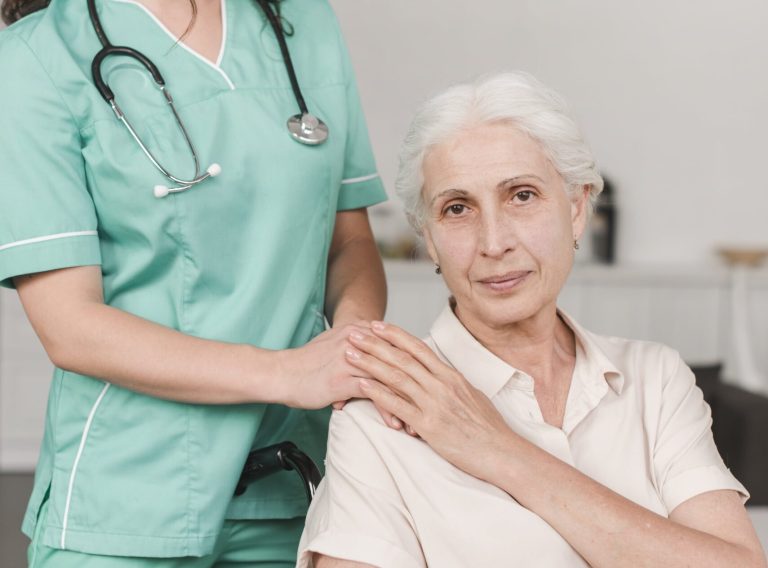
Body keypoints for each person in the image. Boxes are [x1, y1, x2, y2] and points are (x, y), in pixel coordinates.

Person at [298, 72, 768, 567]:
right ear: (430, 239)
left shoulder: (657, 378)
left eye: (521, 195)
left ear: (577, 209)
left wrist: (499, 451)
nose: (494, 242)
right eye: (457, 208)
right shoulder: (383, 412)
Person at [0, 0, 392, 565]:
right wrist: (288, 372)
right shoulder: (35, 57)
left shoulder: (303, 22)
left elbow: (349, 242)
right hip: (129, 497)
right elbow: (70, 327)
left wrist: (352, 354)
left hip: (294, 486)